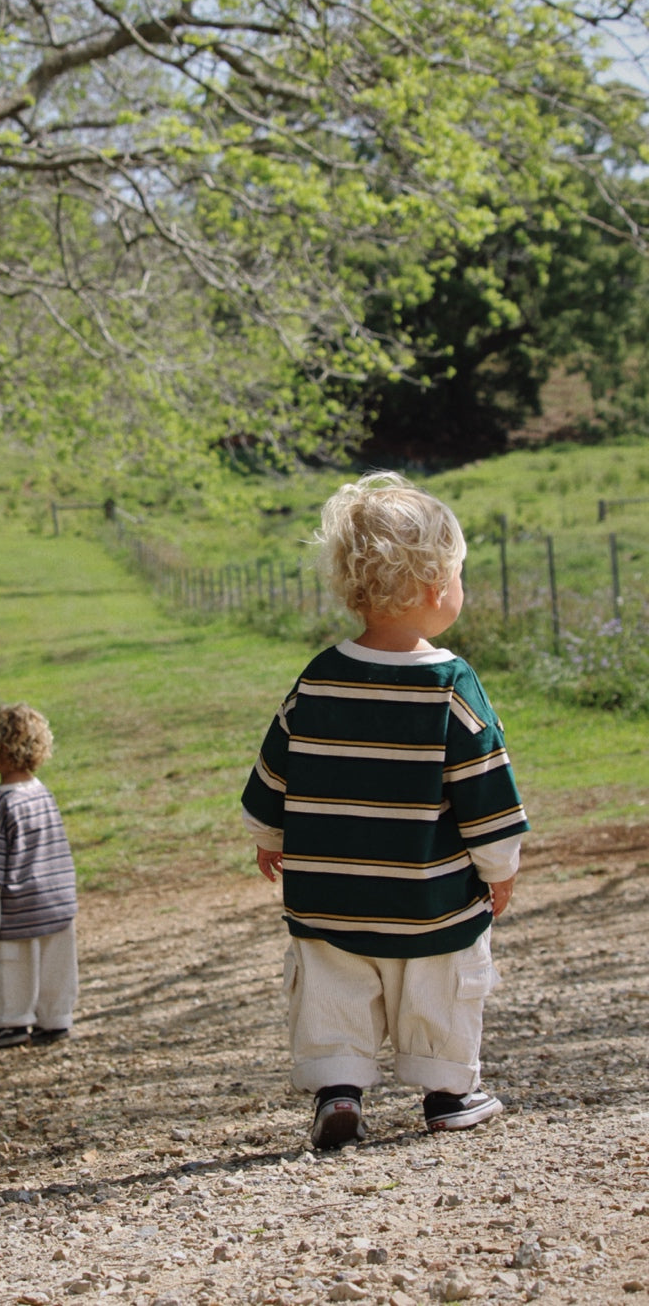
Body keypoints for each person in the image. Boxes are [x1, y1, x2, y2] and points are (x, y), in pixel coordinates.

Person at [241, 472, 528, 1149]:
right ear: (436, 588)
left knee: (332, 990)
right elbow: (484, 788)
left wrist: (267, 832)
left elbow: (273, 769)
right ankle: (449, 1090)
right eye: (459, 577)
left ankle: (339, 1090)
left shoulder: (316, 678)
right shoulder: (451, 687)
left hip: (330, 897)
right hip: (429, 899)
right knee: (440, 984)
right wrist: (499, 866)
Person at [0, 703, 79, 1049]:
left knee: (9, 963)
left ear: (2, 749)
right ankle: (56, 1018)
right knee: (57, 966)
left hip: (17, 902)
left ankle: (14, 1021)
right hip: (57, 898)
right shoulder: (42, 792)